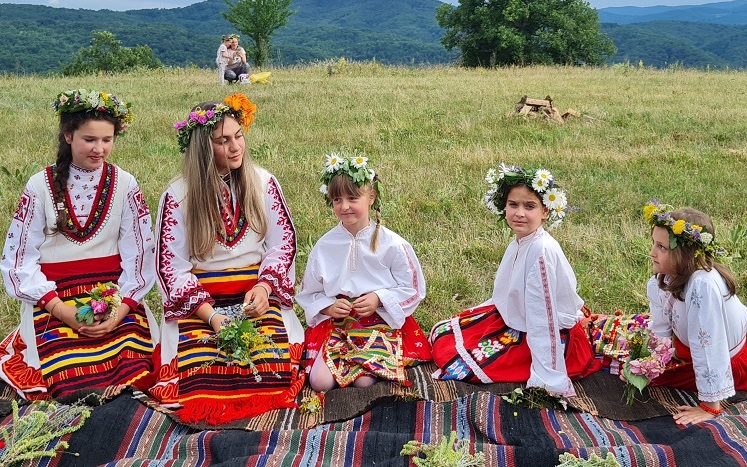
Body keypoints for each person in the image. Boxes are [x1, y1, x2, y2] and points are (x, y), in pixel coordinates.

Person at [149, 93, 305, 425]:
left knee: (268, 364)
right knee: (204, 373)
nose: (235, 147)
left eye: (238, 136)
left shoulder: (264, 183)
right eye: (223, 141)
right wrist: (213, 318)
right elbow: (170, 267)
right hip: (201, 301)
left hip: (254, 292)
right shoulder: (178, 195)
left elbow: (283, 245)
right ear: (204, 148)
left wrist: (264, 290)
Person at [0, 89, 158, 401]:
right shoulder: (39, 186)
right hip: (54, 300)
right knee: (64, 370)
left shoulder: (125, 184)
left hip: (112, 297)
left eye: (107, 139)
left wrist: (120, 309)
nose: (100, 148)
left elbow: (139, 255)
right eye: (90, 139)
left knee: (135, 364)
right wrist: (62, 310)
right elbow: (19, 261)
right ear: (68, 135)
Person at [429, 163, 601, 397]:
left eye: (529, 206)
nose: (519, 213)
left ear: (546, 211)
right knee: (444, 334)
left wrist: (549, 379)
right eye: (513, 205)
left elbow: (543, 318)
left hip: (551, 335)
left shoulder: (541, 250)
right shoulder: (523, 240)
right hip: (523, 320)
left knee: (458, 361)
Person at [296, 154, 432, 392]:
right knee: (319, 382)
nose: (345, 206)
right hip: (339, 322)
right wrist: (328, 307)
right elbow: (309, 292)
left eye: (352, 198)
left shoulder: (393, 244)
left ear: (371, 197)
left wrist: (379, 298)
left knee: (364, 382)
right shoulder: (324, 246)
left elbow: (413, 289)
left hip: (380, 320)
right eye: (337, 199)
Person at [643, 200, 747, 425]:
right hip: (690, 351)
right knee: (641, 373)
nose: (652, 253)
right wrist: (653, 362)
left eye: (662, 247)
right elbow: (661, 332)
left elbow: (709, 346)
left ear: (685, 254)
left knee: (649, 379)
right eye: (654, 243)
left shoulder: (703, 285)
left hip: (732, 360)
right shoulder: (661, 281)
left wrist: (710, 407)